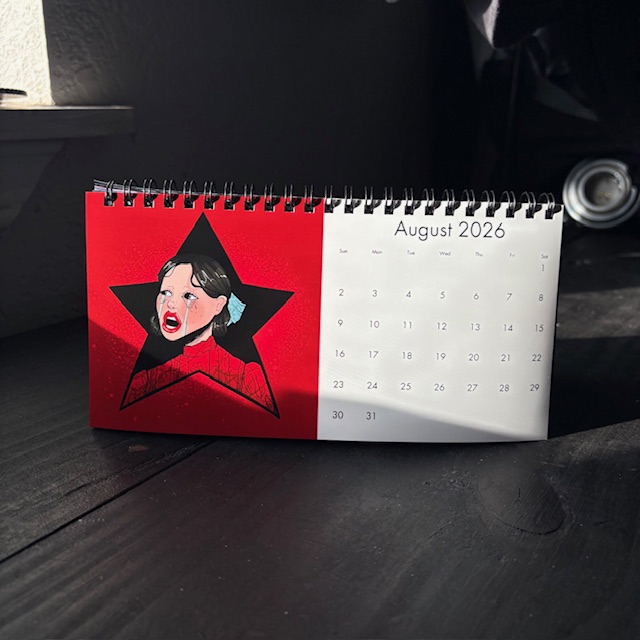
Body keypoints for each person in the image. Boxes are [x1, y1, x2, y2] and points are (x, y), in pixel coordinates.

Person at [124, 253, 274, 412]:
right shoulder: (148, 381)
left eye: (188, 295)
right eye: (166, 292)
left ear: (219, 305)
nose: (171, 303)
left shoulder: (245, 378)